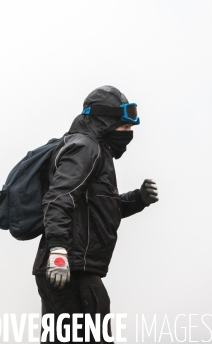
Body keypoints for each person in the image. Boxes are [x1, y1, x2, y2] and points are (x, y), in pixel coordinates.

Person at [33, 85, 159, 343]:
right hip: (71, 270)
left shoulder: (96, 151)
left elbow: (98, 210)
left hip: (73, 268)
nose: (129, 134)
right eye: (124, 127)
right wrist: (58, 252)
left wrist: (138, 199)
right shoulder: (86, 148)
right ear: (105, 122)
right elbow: (59, 197)